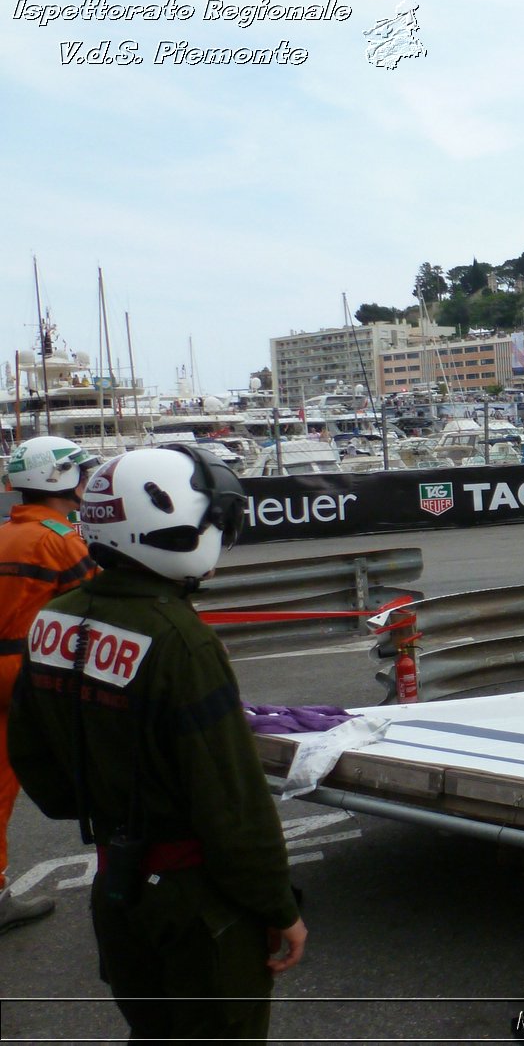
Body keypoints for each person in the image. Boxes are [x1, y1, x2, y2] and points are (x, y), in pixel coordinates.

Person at [9, 446, 305, 1041]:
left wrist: (105, 803)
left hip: (115, 881)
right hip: (194, 898)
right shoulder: (181, 641)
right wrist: (279, 907)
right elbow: (232, 804)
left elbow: (33, 757)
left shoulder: (53, 621)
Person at [0, 437, 100, 934]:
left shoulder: (6, 534)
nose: (86, 481)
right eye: (79, 472)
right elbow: (102, 601)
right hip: (24, 675)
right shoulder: (60, 538)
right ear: (58, 478)